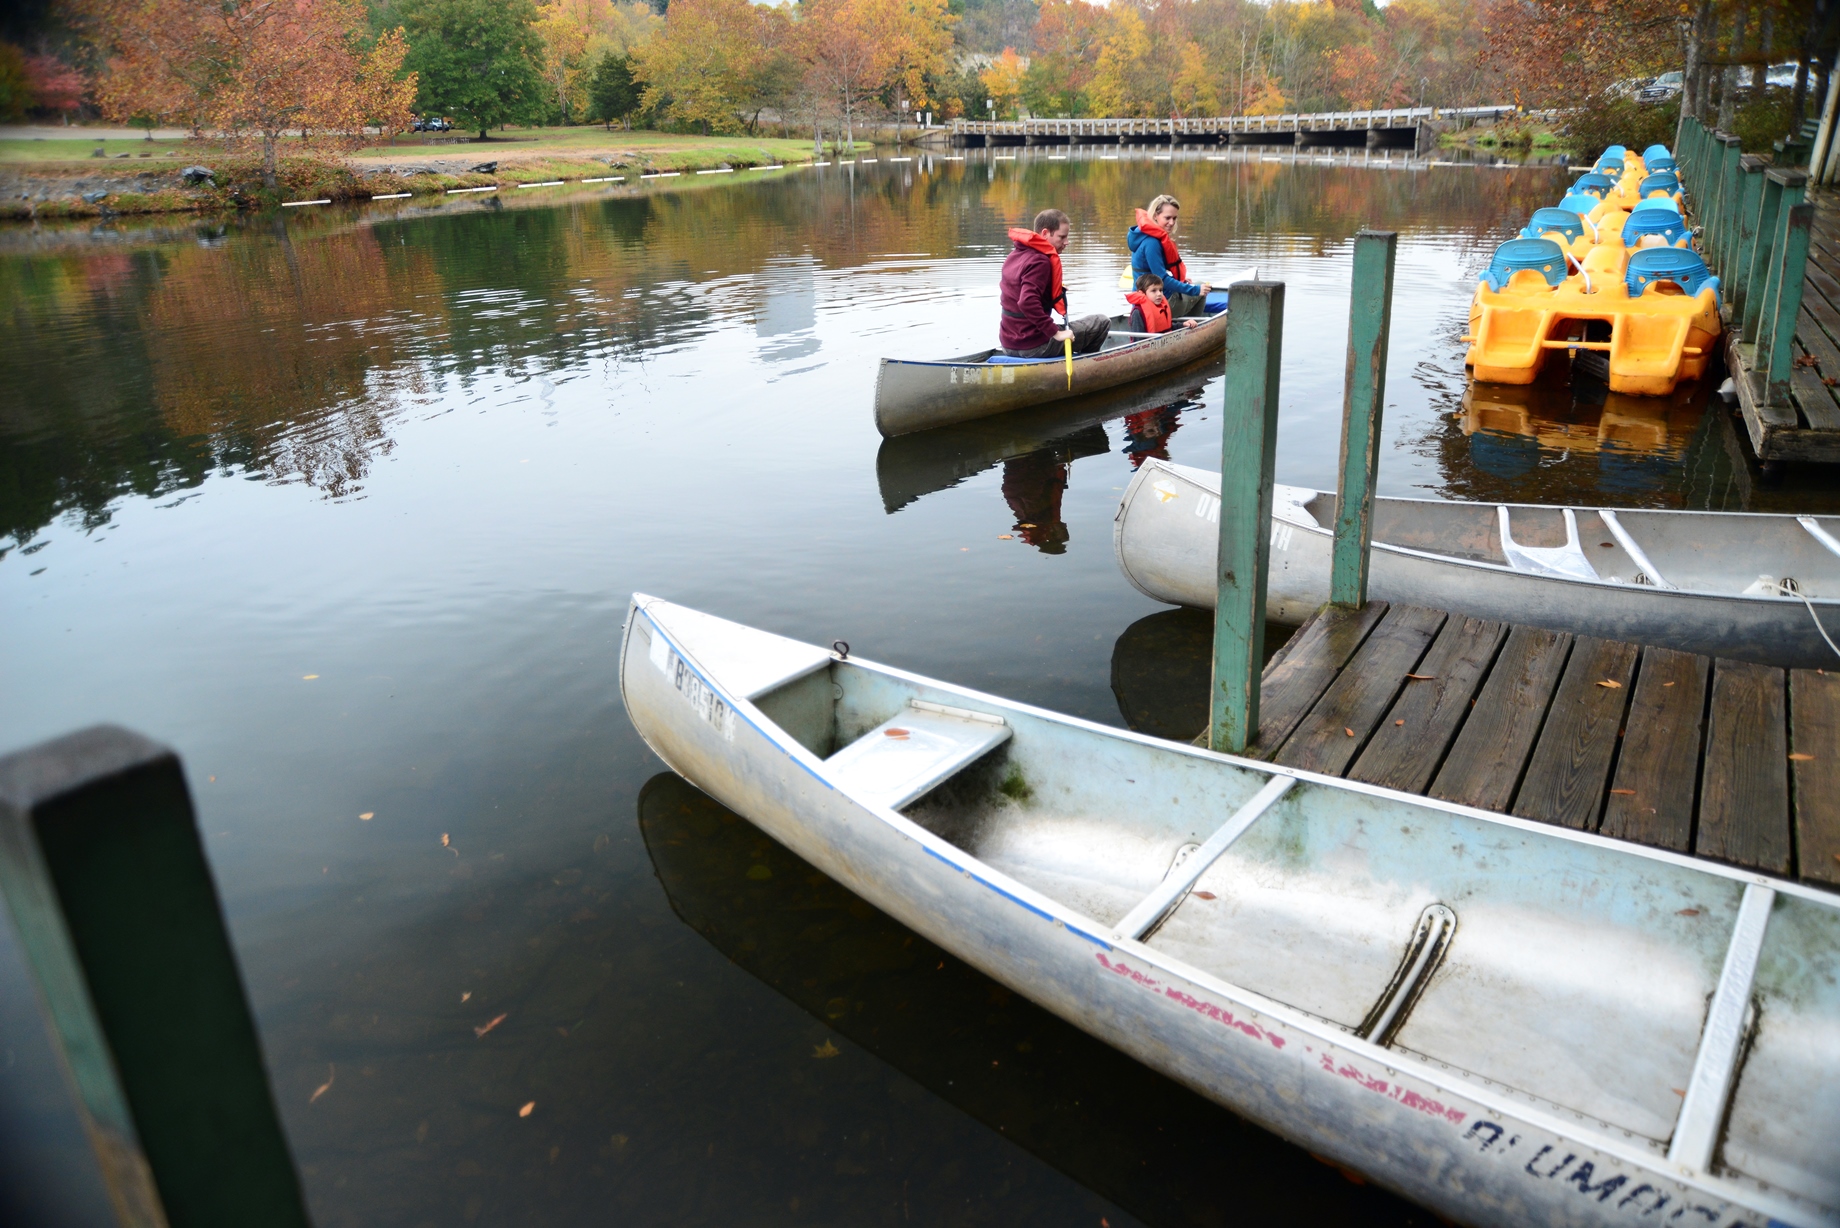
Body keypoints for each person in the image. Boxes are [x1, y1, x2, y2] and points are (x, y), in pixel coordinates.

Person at [999, 208, 1112, 358]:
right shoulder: (1040, 261)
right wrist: (1056, 333)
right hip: (1035, 346)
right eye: (1062, 237)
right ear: (1045, 233)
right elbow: (1027, 302)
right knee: (1101, 322)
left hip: (1008, 345)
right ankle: (1085, 364)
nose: (1067, 242)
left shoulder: (1014, 255)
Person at [1128, 194, 1212, 318]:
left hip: (1142, 303)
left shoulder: (1142, 236)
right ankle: (1192, 326)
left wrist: (1180, 281)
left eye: (1174, 218)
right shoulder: (1152, 243)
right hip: (1159, 306)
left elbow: (1153, 272)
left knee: (1192, 286)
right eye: (1167, 218)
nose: (1171, 222)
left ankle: (1180, 323)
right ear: (1155, 216)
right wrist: (1195, 290)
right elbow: (1162, 279)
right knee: (1201, 288)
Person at [1124, 274, 1200, 335]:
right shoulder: (1138, 312)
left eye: (1160, 290)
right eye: (1154, 291)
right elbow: (1138, 339)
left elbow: (1168, 327)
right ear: (1142, 293)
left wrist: (1183, 324)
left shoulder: (1161, 306)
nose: (1159, 294)